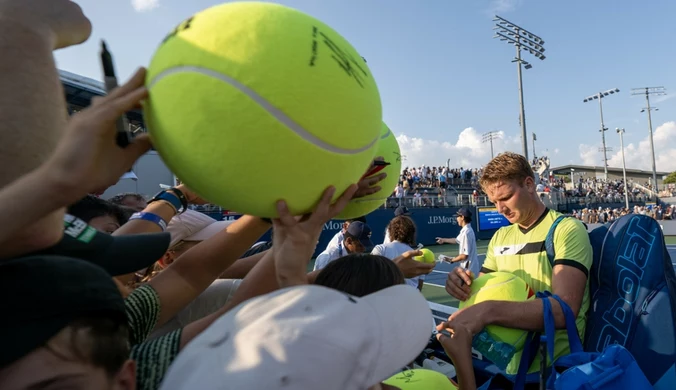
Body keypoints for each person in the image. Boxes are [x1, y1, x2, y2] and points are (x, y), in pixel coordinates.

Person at [441, 152, 592, 378]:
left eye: (507, 197)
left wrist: (489, 310)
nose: (500, 209)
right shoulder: (500, 237)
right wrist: (461, 284)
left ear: (529, 184)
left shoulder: (566, 229)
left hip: (559, 371)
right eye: (494, 202)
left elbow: (564, 311)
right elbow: (480, 290)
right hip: (512, 370)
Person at [371, 216, 424, 290]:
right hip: (411, 298)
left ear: (390, 231)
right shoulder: (419, 255)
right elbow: (419, 286)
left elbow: (370, 277)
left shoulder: (380, 249)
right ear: (412, 233)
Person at [435, 208, 480, 278]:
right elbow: (456, 240)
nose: (456, 219)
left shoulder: (466, 232)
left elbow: (464, 255)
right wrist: (443, 240)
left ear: (462, 217)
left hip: (468, 270)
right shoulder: (466, 230)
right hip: (468, 269)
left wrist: (451, 260)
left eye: (458, 216)